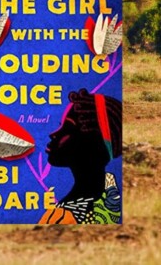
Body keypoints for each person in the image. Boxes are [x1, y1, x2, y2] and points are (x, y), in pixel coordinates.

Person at [38, 89, 122, 224]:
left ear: (93, 143)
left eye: (67, 127)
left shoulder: (62, 217)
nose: (53, 134)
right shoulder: (110, 197)